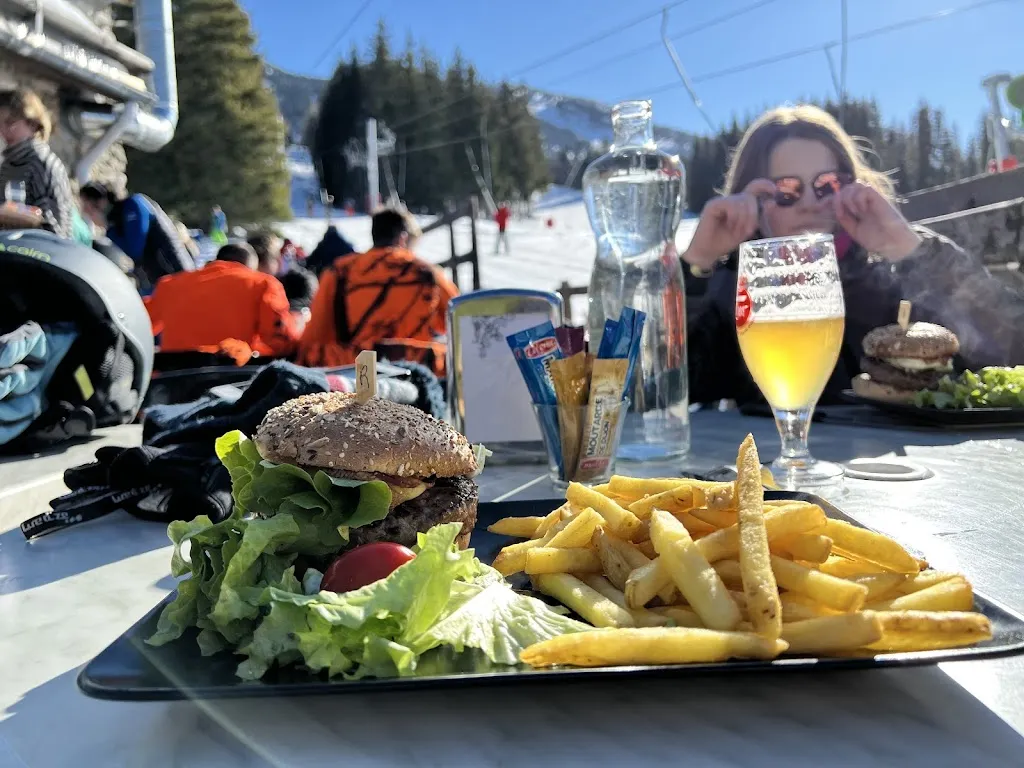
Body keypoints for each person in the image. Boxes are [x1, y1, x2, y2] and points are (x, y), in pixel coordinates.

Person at [683, 104, 1024, 408]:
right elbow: (653, 388)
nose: (810, 203)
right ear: (753, 202)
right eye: (785, 190)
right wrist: (696, 263)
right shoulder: (732, 291)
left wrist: (910, 250)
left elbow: (1013, 347)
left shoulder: (893, 277)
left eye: (828, 184)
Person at [298, 207, 459, 376]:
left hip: (358, 371)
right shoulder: (426, 272)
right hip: (413, 371)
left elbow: (317, 331)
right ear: (403, 238)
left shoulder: (340, 271)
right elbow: (457, 320)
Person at [144, 242, 299, 364]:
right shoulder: (262, 284)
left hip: (169, 381)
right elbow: (281, 343)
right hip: (229, 379)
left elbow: (140, 326)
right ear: (251, 266)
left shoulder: (169, 284)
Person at [79, 182, 194, 294]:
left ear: (101, 201)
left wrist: (107, 228)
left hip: (176, 274)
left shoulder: (134, 205)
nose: (85, 211)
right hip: (159, 281)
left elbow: (135, 250)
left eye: (87, 206)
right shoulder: (116, 219)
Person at [0, 88, 74, 238]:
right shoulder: (8, 164)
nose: (5, 131)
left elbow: (56, 230)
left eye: (11, 122)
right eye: (0, 123)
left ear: (33, 124)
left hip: (35, 254)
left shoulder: (41, 164)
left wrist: (16, 215)